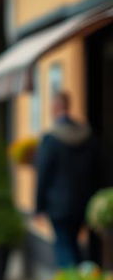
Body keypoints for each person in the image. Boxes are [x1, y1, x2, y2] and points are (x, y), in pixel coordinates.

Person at [35, 90, 99, 267]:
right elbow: (97, 169)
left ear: (54, 108)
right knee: (74, 244)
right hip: (83, 201)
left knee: (63, 245)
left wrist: (39, 207)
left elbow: (43, 174)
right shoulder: (88, 136)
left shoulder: (51, 139)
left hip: (58, 205)